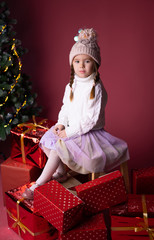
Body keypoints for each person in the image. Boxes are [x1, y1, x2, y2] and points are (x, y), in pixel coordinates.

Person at [22, 28, 129, 199]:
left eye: (87, 61)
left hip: (89, 133)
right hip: (71, 128)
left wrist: (68, 132)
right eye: (77, 61)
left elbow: (90, 120)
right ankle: (60, 171)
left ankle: (38, 185)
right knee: (47, 140)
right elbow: (66, 107)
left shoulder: (96, 88)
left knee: (57, 148)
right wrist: (61, 123)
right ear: (72, 63)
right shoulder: (71, 85)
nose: (81, 65)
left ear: (95, 63)